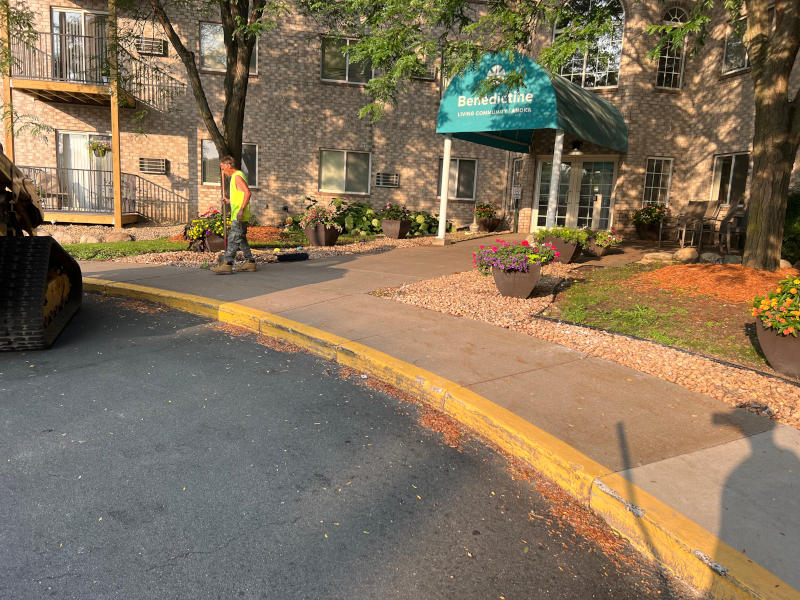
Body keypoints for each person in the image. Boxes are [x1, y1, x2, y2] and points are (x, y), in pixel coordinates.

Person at [211, 155, 257, 274]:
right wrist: (229, 200)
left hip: (239, 214)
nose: (222, 171)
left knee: (232, 238)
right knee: (241, 239)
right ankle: (250, 262)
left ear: (228, 165)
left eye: (222, 167)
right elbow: (240, 195)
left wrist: (241, 210)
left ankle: (227, 264)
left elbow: (247, 193)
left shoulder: (236, 177)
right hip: (239, 213)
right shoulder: (237, 176)